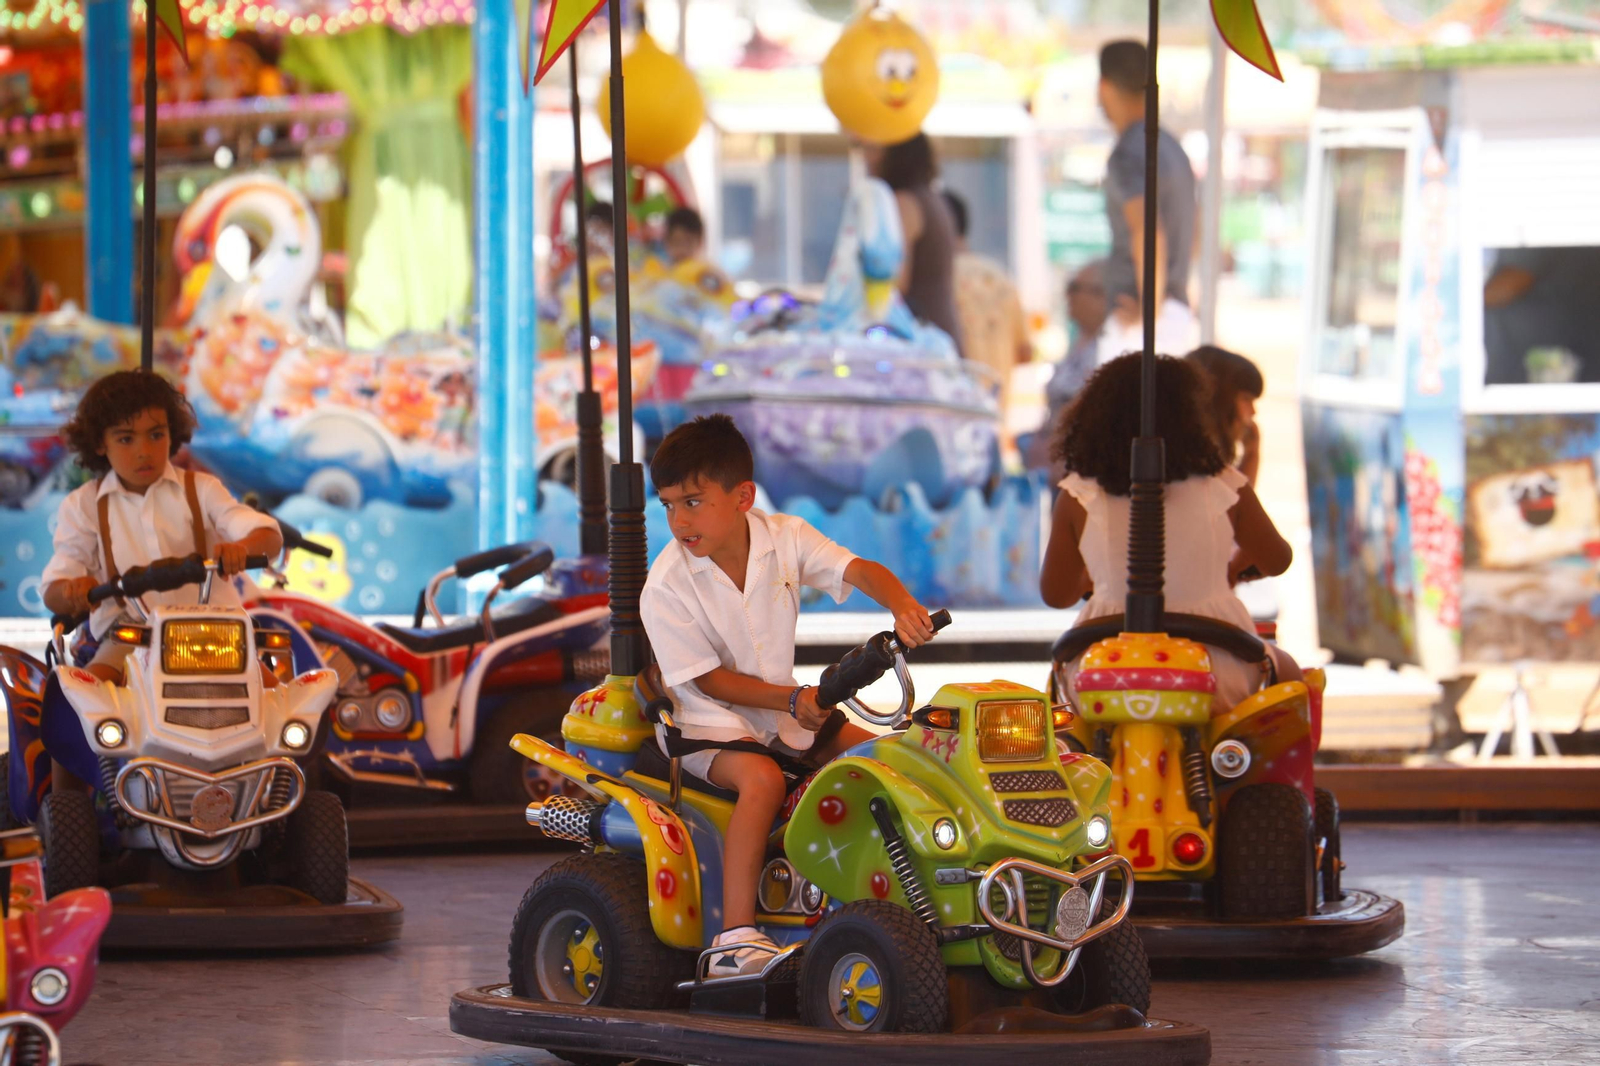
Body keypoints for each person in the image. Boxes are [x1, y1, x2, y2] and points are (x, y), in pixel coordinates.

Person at [640, 414, 937, 976]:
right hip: (704, 724)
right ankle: (734, 936)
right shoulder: (667, 584)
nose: (680, 521)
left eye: (693, 502)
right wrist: (791, 699)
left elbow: (857, 567)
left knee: (877, 762)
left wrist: (900, 604)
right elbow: (708, 682)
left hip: (784, 710)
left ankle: (898, 900)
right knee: (763, 779)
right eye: (669, 505)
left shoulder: (785, 537)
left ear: (742, 496)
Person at [1039, 354, 1298, 712]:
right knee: (1289, 673)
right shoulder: (1225, 484)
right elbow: (1278, 558)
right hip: (1217, 666)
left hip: (1104, 667)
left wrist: (1098, 579)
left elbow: (1056, 593)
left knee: (1063, 716)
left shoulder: (1077, 495)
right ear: (1194, 417)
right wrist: (1236, 566)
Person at [41, 370, 284, 688]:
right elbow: (55, 587)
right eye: (126, 439)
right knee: (86, 695)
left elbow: (267, 535)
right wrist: (71, 590)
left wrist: (244, 548)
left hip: (211, 629)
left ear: (172, 433)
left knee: (272, 698)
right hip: (131, 633)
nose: (144, 451)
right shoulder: (83, 505)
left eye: (156, 435)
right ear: (100, 443)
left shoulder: (202, 489)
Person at [1096, 40, 1198, 360]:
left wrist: (1147, 316)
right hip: (1175, 313)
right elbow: (1198, 223)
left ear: (1104, 87)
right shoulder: (1172, 147)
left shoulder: (1128, 152)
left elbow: (1147, 230)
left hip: (1141, 325)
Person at [861, 132, 963, 350]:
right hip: (941, 333)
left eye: (874, 150)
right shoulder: (932, 199)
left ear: (897, 155)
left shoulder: (903, 203)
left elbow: (895, 280)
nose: (867, 159)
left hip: (921, 343)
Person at [942, 189, 1031, 420]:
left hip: (951, 416)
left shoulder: (935, 281)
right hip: (996, 416)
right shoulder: (1002, 279)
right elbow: (1025, 353)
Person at [1188, 344, 1264, 488]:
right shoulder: (1195, 468)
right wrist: (1252, 457)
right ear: (1219, 400)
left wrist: (1251, 453)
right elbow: (1236, 507)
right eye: (1246, 399)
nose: (1253, 411)